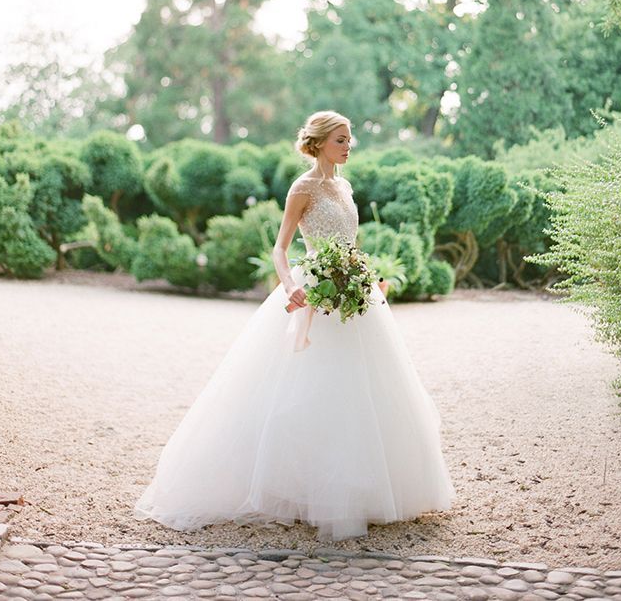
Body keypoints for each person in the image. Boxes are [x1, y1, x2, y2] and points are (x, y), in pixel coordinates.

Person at [133, 110, 457, 541]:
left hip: (353, 293)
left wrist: (364, 275)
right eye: (341, 139)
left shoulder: (344, 185)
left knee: (361, 390)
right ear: (320, 143)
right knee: (304, 390)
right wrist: (290, 288)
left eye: (349, 138)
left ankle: (365, 488)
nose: (348, 145)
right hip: (313, 292)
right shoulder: (303, 188)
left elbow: (350, 243)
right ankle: (303, 490)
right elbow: (280, 248)